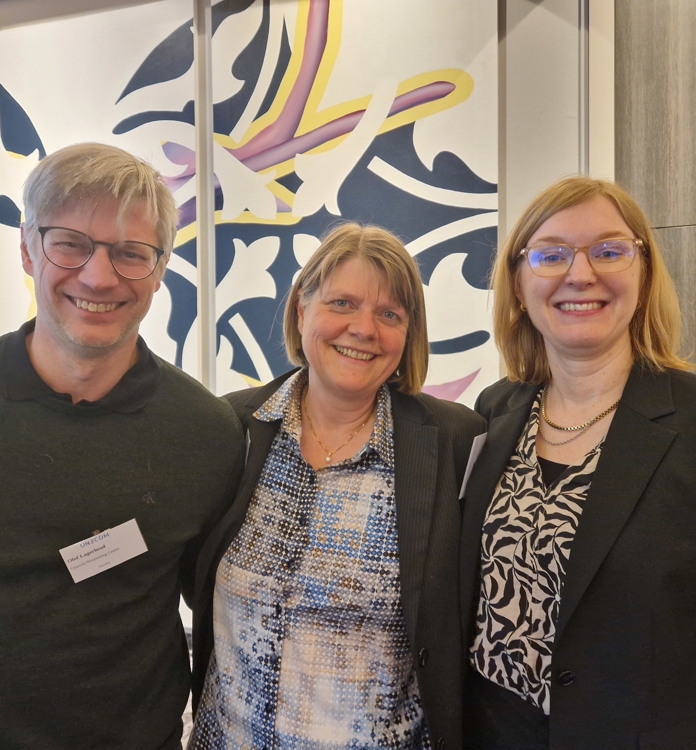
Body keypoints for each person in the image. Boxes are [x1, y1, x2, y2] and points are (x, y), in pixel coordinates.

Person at [0, 143, 245, 749]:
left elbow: (224, 624)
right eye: (70, 243)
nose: (98, 275)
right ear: (28, 249)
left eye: (130, 254)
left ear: (161, 268)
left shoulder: (205, 433)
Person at [460, 176, 696, 749]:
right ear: (518, 282)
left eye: (609, 251)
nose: (580, 275)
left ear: (644, 271)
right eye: (551, 255)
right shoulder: (493, 413)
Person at [188, 223, 486, 750]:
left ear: (408, 334)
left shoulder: (453, 443)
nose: (363, 329)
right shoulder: (233, 428)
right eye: (342, 303)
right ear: (302, 310)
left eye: (389, 314)